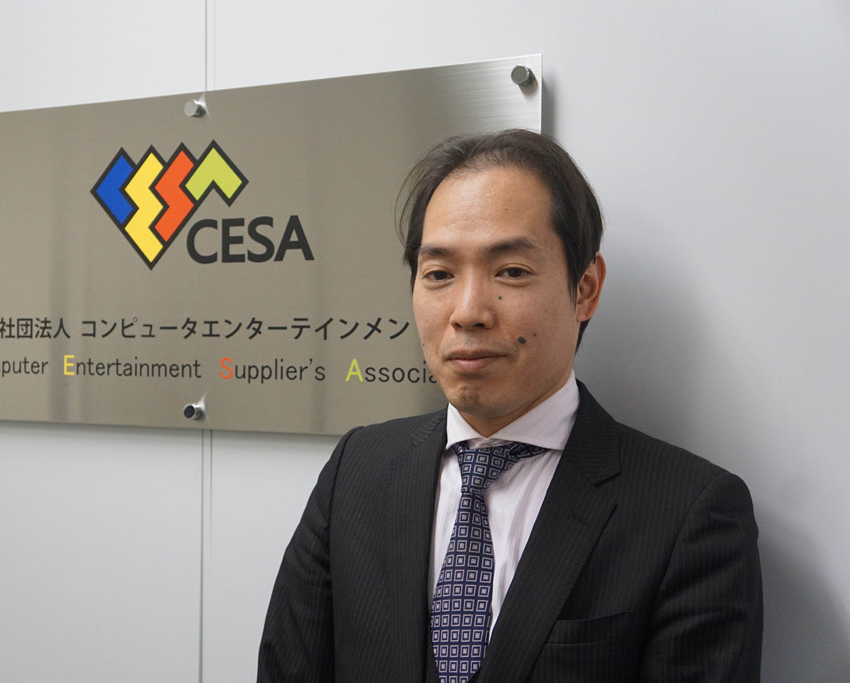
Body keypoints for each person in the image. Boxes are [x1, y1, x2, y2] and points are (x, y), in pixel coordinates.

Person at [258, 129, 762, 682]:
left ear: (585, 288)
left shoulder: (690, 513)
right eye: (439, 274)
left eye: (511, 272)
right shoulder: (356, 470)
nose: (468, 312)